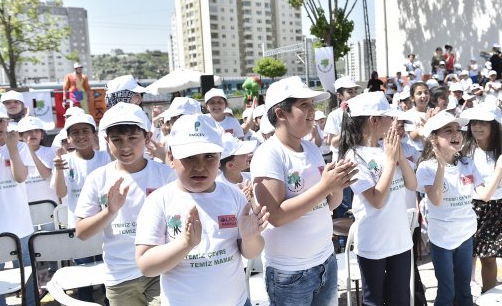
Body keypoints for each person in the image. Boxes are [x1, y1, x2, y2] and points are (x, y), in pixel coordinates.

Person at [135, 114, 269, 306]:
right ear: (171, 158)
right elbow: (146, 265)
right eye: (189, 157)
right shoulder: (159, 200)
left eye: (209, 156)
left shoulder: (234, 195)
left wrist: (250, 237)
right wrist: (185, 244)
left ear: (220, 156)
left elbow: (251, 252)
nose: (200, 166)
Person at [250, 76, 357, 305]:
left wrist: (337, 185)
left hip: (325, 261)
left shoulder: (311, 148)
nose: (312, 111)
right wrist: (325, 186)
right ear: (280, 113)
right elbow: (276, 216)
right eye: (304, 105)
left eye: (312, 104)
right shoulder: (268, 154)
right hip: (290, 273)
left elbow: (329, 205)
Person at [75, 102, 175, 306]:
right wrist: (109, 212)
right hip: (120, 276)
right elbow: (82, 232)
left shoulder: (166, 175)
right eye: (117, 140)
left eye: (132, 138)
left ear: (147, 138)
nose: (125, 146)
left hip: (162, 270)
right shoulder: (98, 178)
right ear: (106, 141)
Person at [339, 91, 417, 305]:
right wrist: (391, 162)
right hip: (374, 242)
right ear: (374, 120)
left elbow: (412, 184)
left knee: (401, 299)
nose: (394, 122)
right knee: (373, 300)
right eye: (389, 117)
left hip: (400, 240)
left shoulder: (388, 148)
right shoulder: (354, 156)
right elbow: (377, 200)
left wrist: (399, 156)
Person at [416, 112, 480, 306]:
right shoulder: (426, 167)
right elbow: (435, 200)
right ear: (434, 139)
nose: (456, 134)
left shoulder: (468, 162)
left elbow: (484, 193)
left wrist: (501, 169)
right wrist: (441, 166)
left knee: (465, 291)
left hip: (465, 235)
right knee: (447, 291)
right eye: (448, 131)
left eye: (458, 130)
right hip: (442, 239)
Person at [51, 113, 111, 302]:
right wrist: (59, 171)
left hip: (106, 226)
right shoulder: (64, 161)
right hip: (78, 227)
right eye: (75, 132)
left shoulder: (106, 158)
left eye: (86, 131)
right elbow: (60, 193)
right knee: (82, 277)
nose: (81, 136)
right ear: (68, 138)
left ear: (94, 134)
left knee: (107, 274)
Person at [460, 107, 502, 293]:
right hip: (468, 206)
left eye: (483, 122)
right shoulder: (464, 149)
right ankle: (464, 296)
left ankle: (488, 295)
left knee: (488, 257)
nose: (477, 127)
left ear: (493, 126)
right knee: (465, 255)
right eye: (474, 123)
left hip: (494, 208)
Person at [0, 100, 36, 306]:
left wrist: (13, 149)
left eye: (1, 121)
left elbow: (20, 177)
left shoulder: (20, 147)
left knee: (27, 272)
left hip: (21, 225)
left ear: (8, 122)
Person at [17, 116, 58, 203]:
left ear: (42, 135)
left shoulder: (50, 151)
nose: (33, 134)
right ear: (20, 136)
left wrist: (30, 150)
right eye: (29, 131)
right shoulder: (15, 154)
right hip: (26, 205)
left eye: (37, 131)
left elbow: (46, 175)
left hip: (50, 204)